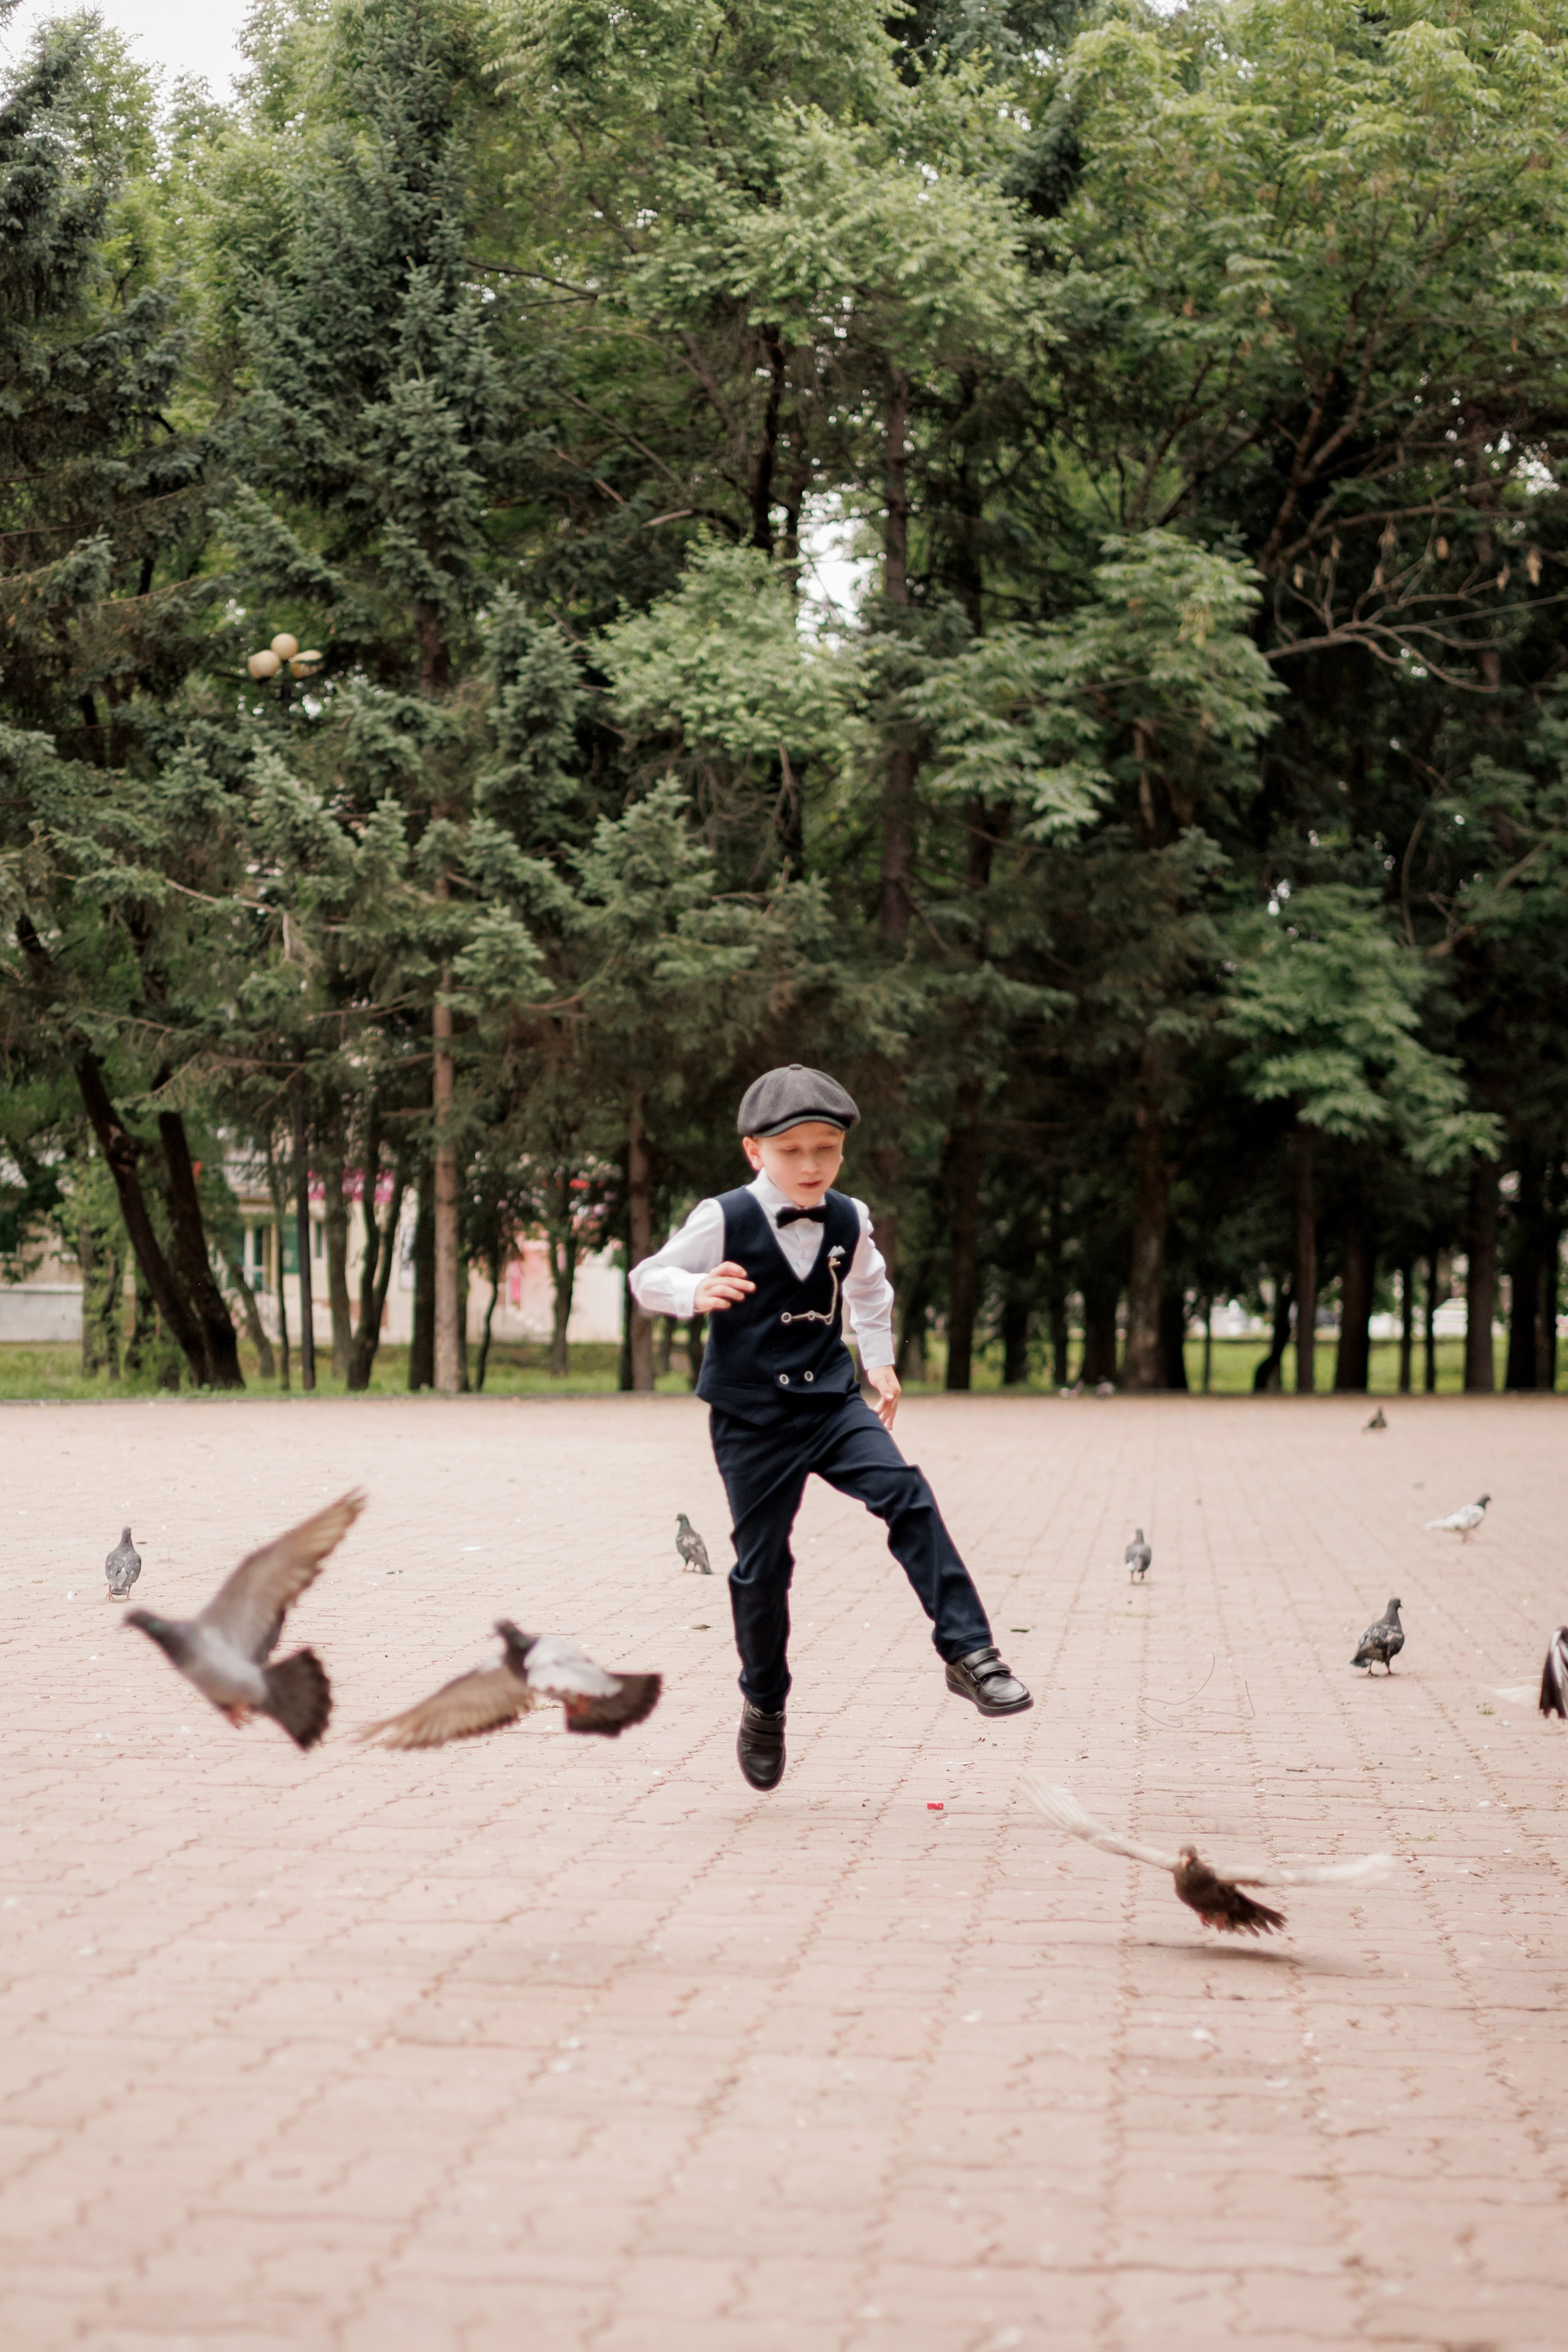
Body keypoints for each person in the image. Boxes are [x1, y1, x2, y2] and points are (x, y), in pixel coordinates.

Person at [630, 1063, 1031, 1791]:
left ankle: (972, 1655)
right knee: (764, 1569)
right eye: (792, 1152)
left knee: (906, 1493)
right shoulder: (723, 1217)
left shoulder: (849, 1217)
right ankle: (764, 1703)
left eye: (827, 1149)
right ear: (755, 1151)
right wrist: (694, 1289)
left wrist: (878, 1361)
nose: (811, 1166)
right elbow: (646, 1277)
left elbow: (871, 1289)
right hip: (751, 1418)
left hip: (830, 1401)